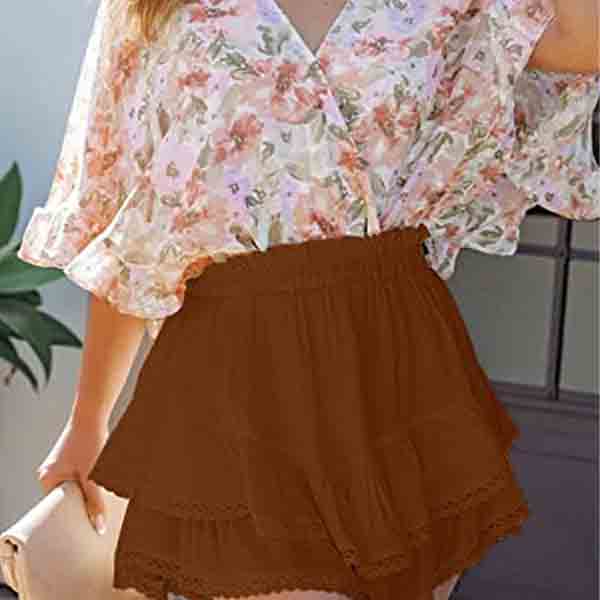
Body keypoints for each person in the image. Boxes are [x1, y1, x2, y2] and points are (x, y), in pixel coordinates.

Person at [17, 1, 599, 599]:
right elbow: (130, 223)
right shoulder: (157, 10)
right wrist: (88, 420)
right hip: (238, 373)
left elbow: (582, 41)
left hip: (395, 360)